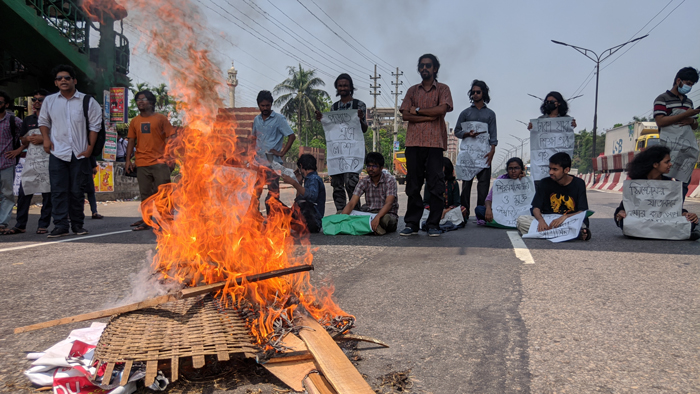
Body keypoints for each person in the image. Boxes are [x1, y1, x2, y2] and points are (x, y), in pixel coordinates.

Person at [39, 65, 100, 238]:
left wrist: (89, 149)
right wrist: (45, 138)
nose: (63, 80)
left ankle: (78, 225)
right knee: (58, 191)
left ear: (74, 80)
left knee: (77, 191)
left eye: (67, 77)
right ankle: (60, 225)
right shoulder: (50, 101)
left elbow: (95, 126)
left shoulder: (87, 101)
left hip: (80, 153)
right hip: (58, 152)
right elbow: (43, 121)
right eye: (59, 79)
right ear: (56, 83)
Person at [398, 54, 453, 237]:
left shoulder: (443, 89)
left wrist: (419, 110)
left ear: (435, 68)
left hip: (434, 144)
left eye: (428, 66)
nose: (424, 69)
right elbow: (405, 115)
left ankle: (433, 224)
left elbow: (442, 109)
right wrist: (430, 116)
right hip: (413, 143)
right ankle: (412, 223)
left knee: (436, 185)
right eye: (421, 66)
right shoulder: (412, 91)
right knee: (413, 184)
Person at [614, 145, 699, 240]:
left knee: (692, 221)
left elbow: (673, 209)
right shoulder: (636, 184)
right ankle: (679, 234)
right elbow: (622, 209)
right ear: (655, 164)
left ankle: (646, 233)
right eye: (667, 162)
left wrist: (686, 214)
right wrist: (621, 213)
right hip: (643, 222)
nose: (670, 164)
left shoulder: (670, 185)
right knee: (624, 221)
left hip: (663, 222)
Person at [1, 89, 52, 235]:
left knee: (47, 195)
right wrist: (27, 140)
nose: (37, 102)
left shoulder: (53, 118)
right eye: (34, 100)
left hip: (48, 160)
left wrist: (44, 139)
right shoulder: (28, 120)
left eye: (40, 100)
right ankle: (20, 224)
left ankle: (43, 224)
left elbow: (62, 138)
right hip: (31, 161)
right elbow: (22, 139)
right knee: (24, 193)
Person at [315, 73, 368, 213]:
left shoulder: (359, 105)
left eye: (345, 85)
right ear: (337, 88)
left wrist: (361, 119)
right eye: (340, 85)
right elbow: (331, 129)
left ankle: (355, 212)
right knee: (337, 184)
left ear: (350, 87)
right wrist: (322, 120)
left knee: (352, 184)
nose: (343, 88)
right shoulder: (334, 108)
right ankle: (340, 212)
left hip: (353, 153)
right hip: (337, 153)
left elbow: (364, 129)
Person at [125, 90, 175, 231]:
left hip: (160, 163)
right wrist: (128, 160)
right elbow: (131, 141)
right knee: (145, 195)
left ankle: (167, 221)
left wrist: (170, 156)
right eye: (138, 100)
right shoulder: (135, 121)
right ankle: (147, 221)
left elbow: (169, 138)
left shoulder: (161, 119)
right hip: (142, 163)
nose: (140, 102)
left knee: (164, 194)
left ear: (151, 102)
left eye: (143, 99)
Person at [516, 152, 591, 240]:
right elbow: (536, 208)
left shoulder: (579, 183)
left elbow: (582, 211)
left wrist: (564, 217)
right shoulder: (544, 183)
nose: (551, 172)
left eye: (555, 169)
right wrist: (541, 221)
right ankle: (570, 234)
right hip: (548, 222)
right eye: (550, 169)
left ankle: (550, 233)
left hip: (568, 220)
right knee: (521, 221)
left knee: (581, 223)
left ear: (566, 170)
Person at [653, 67, 700, 199]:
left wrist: (691, 119)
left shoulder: (688, 102)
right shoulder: (662, 99)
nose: (689, 87)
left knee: (683, 184)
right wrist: (684, 115)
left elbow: (695, 125)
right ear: (678, 80)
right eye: (688, 83)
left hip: (686, 150)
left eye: (692, 85)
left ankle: (678, 211)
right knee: (665, 181)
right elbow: (660, 121)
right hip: (669, 149)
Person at [453, 80, 497, 220]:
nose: (475, 94)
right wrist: (467, 134)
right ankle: (464, 213)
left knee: (483, 186)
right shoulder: (465, 113)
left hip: (484, 154)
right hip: (468, 155)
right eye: (473, 92)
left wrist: (492, 150)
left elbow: (493, 134)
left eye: (478, 92)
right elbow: (457, 131)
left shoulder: (490, 114)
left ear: (484, 93)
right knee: (466, 185)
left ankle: (480, 214)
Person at [252, 90, 296, 215]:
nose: (265, 108)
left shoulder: (279, 119)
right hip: (258, 163)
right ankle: (255, 221)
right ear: (259, 105)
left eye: (267, 105)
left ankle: (273, 222)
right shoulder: (257, 120)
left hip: (273, 164)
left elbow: (291, 136)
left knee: (272, 196)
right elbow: (253, 138)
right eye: (262, 106)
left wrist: (282, 153)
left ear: (271, 104)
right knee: (255, 194)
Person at [341, 152, 399, 235]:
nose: (370, 169)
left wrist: (378, 217)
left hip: (386, 214)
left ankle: (368, 226)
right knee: (341, 213)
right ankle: (373, 228)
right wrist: (341, 219)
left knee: (385, 220)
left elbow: (389, 203)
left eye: (374, 166)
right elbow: (352, 203)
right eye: (368, 166)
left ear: (381, 168)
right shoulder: (364, 181)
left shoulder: (390, 180)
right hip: (369, 215)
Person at [281, 154, 325, 233]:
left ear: (301, 166)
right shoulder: (309, 179)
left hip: (314, 221)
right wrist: (299, 182)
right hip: (309, 220)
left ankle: (287, 221)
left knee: (301, 204)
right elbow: (299, 199)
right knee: (276, 204)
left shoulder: (314, 179)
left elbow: (312, 196)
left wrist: (294, 183)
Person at [475, 157, 526, 226]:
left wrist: (524, 180)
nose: (513, 171)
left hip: (519, 213)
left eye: (516, 168)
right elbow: (488, 200)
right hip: (500, 212)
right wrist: (488, 209)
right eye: (510, 168)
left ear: (522, 169)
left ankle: (495, 222)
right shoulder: (501, 180)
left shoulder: (526, 181)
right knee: (479, 209)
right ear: (507, 170)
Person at [0, 90, 24, 230]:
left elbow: (27, 136)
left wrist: (18, 150)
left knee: (7, 194)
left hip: (7, 163)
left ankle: (2, 223)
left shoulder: (13, 120)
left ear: (6, 104)